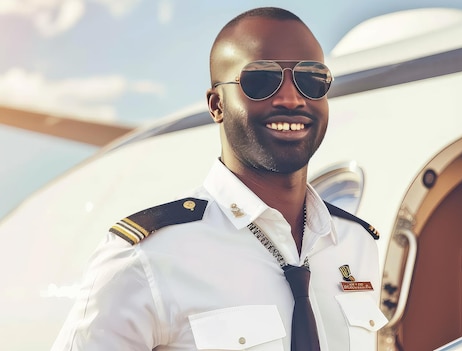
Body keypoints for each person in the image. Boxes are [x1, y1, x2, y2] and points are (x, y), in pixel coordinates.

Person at [52, 7, 387, 351]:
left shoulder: (356, 243)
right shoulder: (146, 259)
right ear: (216, 105)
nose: (291, 98)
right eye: (260, 81)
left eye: (312, 80)